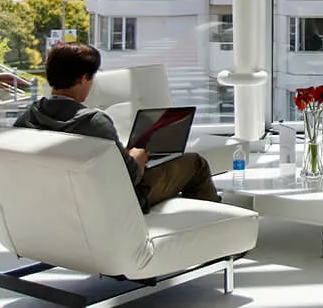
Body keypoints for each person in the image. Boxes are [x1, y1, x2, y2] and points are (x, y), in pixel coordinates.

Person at [13, 41, 220, 211]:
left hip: (61, 202)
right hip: (117, 202)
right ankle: (220, 235)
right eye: (91, 78)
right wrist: (138, 155)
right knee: (196, 164)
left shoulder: (27, 118)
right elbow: (130, 176)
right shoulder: (94, 122)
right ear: (83, 79)